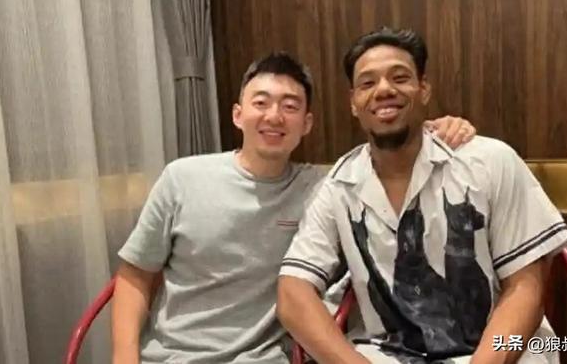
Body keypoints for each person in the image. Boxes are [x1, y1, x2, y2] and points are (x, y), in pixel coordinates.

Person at [111, 51, 476, 364]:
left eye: (290, 106)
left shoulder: (326, 187)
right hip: (171, 356)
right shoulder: (181, 178)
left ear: (307, 123)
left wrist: (440, 129)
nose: (274, 116)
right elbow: (135, 276)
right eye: (261, 103)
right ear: (238, 114)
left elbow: (389, 159)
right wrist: (124, 358)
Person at [277, 27, 567, 364]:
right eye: (367, 83)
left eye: (400, 77)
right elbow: (293, 292)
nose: (383, 90)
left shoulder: (489, 162)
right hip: (387, 355)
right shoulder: (337, 187)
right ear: (354, 103)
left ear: (424, 89)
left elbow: (526, 286)